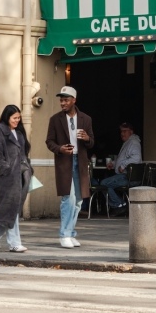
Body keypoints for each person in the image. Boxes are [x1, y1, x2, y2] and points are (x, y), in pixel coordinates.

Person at [46, 86, 94, 249]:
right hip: (64, 162)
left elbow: (92, 142)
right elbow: (49, 141)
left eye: (66, 100)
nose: (62, 103)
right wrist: (59, 149)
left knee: (79, 199)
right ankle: (64, 234)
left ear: (74, 100)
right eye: (61, 100)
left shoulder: (86, 119)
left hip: (80, 162)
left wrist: (87, 138)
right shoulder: (55, 119)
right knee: (69, 197)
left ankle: (71, 232)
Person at [0, 104, 33, 253]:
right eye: (14, 118)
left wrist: (28, 168)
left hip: (20, 176)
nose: (17, 121)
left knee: (12, 209)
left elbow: (23, 153)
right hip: (7, 178)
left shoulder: (18, 134)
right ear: (7, 117)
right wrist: (5, 170)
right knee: (12, 209)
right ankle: (14, 243)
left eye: (19, 118)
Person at [100, 122, 142, 215]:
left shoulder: (133, 142)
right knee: (105, 184)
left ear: (131, 132)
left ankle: (120, 204)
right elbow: (123, 159)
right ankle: (120, 204)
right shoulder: (127, 142)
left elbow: (136, 158)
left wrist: (123, 165)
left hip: (128, 177)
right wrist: (114, 164)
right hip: (124, 175)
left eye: (125, 131)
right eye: (121, 131)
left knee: (104, 183)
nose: (122, 133)